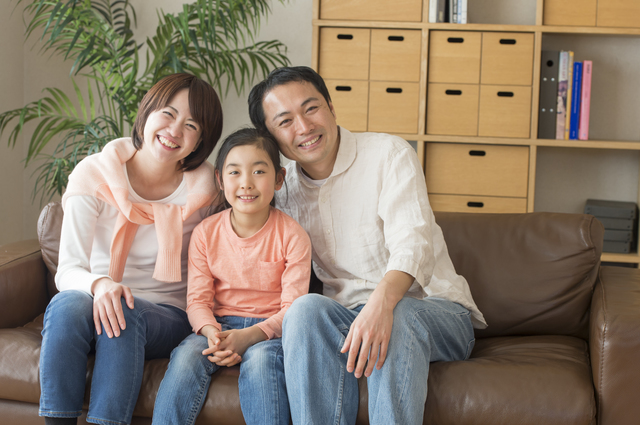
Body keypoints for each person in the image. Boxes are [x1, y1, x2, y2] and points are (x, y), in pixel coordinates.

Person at [247, 66, 487, 424]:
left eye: (311, 108)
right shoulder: (284, 189)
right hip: (348, 317)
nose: (304, 127)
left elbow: (412, 242)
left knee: (399, 314)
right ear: (271, 137)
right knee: (304, 310)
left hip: (433, 309)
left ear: (331, 107)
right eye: (285, 121)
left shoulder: (389, 153)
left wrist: (382, 303)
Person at [38, 73, 223, 425]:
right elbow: (68, 270)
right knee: (65, 305)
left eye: (191, 125)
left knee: (124, 310)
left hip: (168, 314)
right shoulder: (94, 174)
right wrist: (101, 284)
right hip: (96, 298)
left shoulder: (208, 189)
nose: (174, 131)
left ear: (201, 141)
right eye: (168, 114)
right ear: (147, 112)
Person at [152, 127, 312, 425]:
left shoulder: (293, 236)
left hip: (269, 331)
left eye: (259, 171)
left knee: (262, 364)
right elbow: (197, 301)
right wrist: (212, 333)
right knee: (186, 358)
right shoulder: (205, 233)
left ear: (279, 179)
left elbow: (293, 310)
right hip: (218, 326)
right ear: (220, 179)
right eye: (235, 172)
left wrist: (249, 337)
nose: (246, 183)